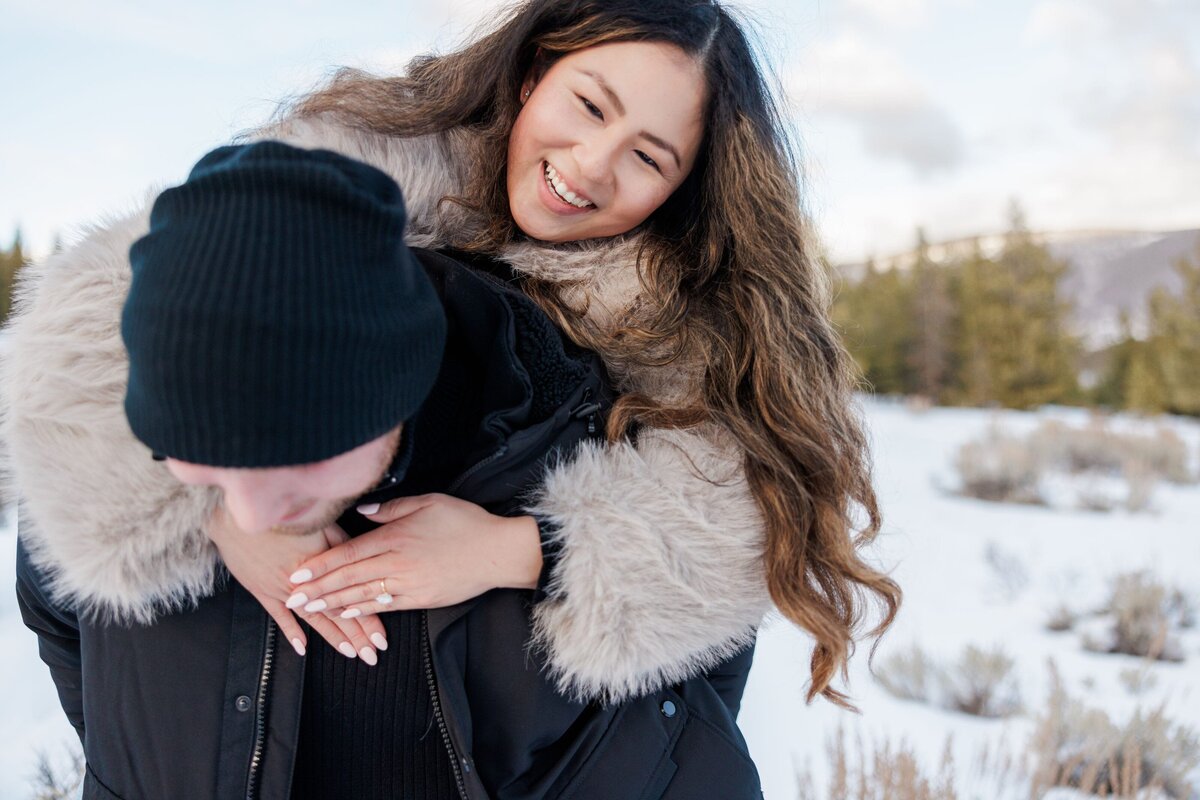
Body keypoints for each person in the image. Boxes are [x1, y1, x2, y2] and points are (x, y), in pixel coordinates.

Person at [7, 0, 899, 788]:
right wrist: (223, 502)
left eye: (648, 157)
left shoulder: (683, 344)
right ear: (536, 67)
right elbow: (84, 354)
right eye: (589, 105)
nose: (590, 165)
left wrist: (524, 550)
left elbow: (733, 534)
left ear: (684, 190)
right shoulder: (326, 177)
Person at [12, 141, 762, 799]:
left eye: (289, 457)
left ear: (392, 393)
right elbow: (61, 622)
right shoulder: (105, 490)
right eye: (198, 460)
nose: (246, 515)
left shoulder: (583, 454)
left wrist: (527, 555)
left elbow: (698, 691)